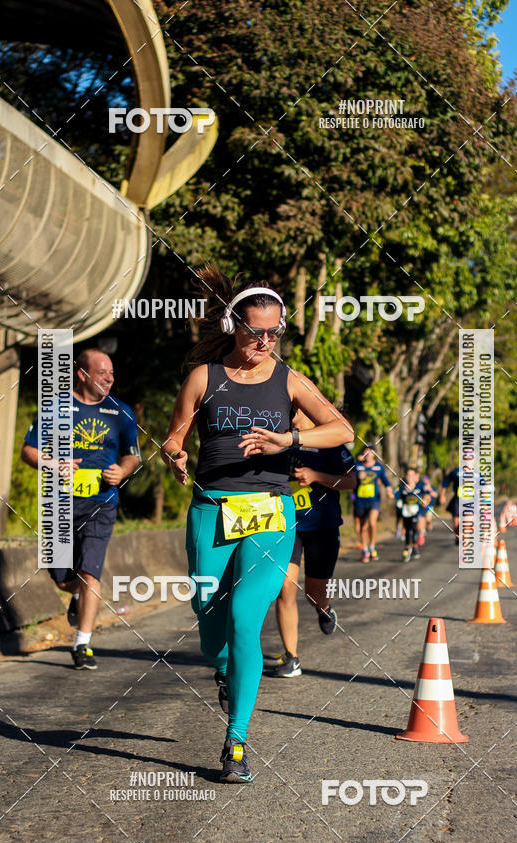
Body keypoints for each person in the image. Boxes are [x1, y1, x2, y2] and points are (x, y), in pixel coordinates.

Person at [161, 263, 353, 783]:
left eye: (275, 331)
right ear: (233, 327)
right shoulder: (205, 377)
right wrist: (174, 453)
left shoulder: (289, 381)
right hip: (211, 507)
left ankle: (236, 744)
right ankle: (223, 668)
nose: (266, 341)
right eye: (255, 332)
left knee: (247, 616)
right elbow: (175, 435)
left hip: (270, 510)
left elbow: (340, 429)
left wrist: (287, 441)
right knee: (208, 614)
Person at [21, 349, 141, 670]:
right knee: (63, 579)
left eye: (112, 373)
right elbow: (29, 451)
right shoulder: (57, 408)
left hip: (101, 502)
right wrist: (53, 463)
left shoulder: (121, 411)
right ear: (83, 374)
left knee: (90, 572)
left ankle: (82, 643)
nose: (109, 378)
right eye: (102, 372)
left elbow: (133, 456)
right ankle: (75, 595)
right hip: (59, 502)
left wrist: (123, 471)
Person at [271, 410, 356, 677]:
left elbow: (352, 481)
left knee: (313, 595)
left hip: (323, 527)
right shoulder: (278, 441)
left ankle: (325, 608)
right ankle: (291, 657)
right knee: (285, 587)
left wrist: (316, 476)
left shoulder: (331, 441)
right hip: (287, 526)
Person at [353, 444, 393, 561]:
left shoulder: (378, 467)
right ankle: (364, 549)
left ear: (374, 454)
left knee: (372, 522)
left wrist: (389, 490)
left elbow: (386, 481)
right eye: (366, 452)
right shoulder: (357, 466)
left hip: (374, 500)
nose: (368, 454)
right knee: (363, 527)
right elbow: (349, 479)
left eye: (370, 452)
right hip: (360, 501)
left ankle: (372, 546)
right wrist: (357, 477)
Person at [398, 466, 431, 561]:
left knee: (413, 528)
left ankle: (410, 547)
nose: (410, 477)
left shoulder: (419, 486)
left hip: (417, 511)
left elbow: (427, 494)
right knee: (407, 529)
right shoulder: (402, 486)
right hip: (406, 512)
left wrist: (425, 499)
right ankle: (411, 546)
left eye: (412, 475)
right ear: (405, 476)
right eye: (408, 475)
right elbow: (396, 496)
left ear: (415, 476)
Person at [439, 465, 460, 544]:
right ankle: (458, 537)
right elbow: (446, 482)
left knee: (469, 522)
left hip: (472, 501)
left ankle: (467, 539)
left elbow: (483, 485)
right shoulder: (456, 471)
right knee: (456, 524)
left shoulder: (476, 473)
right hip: (458, 500)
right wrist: (442, 495)